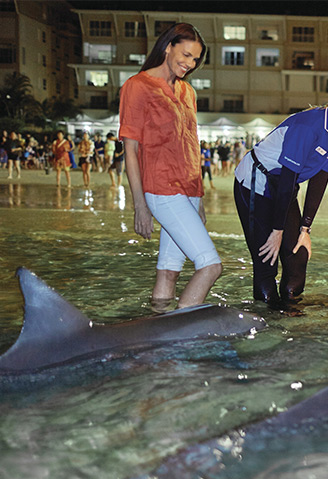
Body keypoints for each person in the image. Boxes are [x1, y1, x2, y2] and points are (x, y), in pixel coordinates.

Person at [233, 81, 328, 311]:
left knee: (298, 258)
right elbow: (288, 176)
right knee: (266, 262)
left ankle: (292, 321)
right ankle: (266, 327)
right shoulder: (310, 126)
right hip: (256, 183)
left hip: (285, 188)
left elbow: (321, 177)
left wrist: (305, 229)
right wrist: (277, 231)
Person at [120, 22, 222, 312]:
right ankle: (181, 334)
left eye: (195, 59)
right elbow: (131, 149)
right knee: (211, 266)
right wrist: (140, 205)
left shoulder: (188, 92)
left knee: (169, 270)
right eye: (186, 54)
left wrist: (198, 199)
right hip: (161, 189)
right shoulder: (137, 86)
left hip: (188, 189)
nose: (189, 63)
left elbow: (191, 146)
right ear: (168, 47)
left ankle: (158, 328)